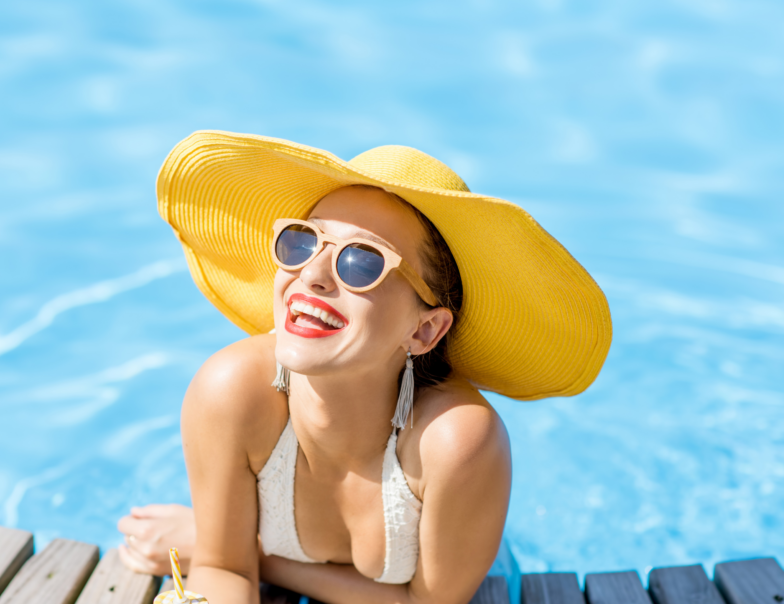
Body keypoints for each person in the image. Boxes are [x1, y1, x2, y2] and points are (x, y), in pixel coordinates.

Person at [117, 131, 612, 604]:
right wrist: (226, 560)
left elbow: (431, 603)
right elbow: (225, 571)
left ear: (425, 331)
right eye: (300, 242)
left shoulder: (455, 442)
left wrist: (243, 552)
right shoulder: (230, 392)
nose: (310, 275)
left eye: (361, 263)